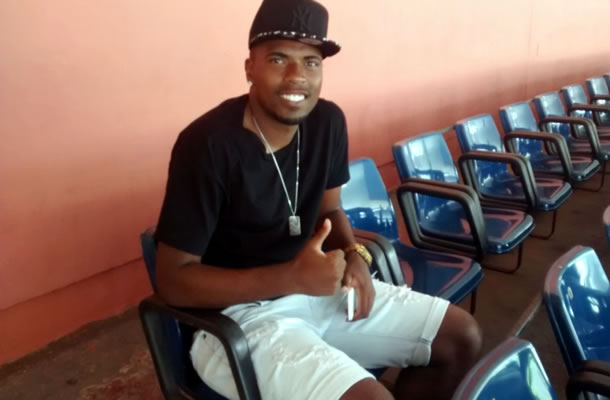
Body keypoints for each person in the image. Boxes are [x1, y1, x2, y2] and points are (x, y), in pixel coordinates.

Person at [154, 0, 482, 399]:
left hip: (316, 287)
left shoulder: (328, 122)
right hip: (236, 318)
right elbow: (173, 281)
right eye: (278, 59)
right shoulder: (206, 145)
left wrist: (355, 255)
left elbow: (329, 209)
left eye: (311, 62)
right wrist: (289, 277)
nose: (297, 76)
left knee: (461, 337)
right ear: (250, 68)